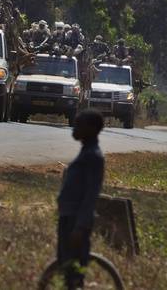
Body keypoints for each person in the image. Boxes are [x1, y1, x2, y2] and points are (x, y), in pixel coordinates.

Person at [57, 109, 105, 290]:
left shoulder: (93, 156)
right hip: (68, 216)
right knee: (66, 267)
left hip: (76, 221)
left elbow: (91, 194)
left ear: (91, 129)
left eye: (79, 125)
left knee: (74, 272)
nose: (74, 128)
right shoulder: (86, 152)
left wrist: (80, 226)